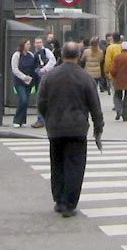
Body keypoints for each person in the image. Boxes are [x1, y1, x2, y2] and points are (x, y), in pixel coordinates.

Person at [36, 41, 104, 218]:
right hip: (77, 128)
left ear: (62, 55)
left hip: (55, 127)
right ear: (79, 55)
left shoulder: (50, 77)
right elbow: (95, 105)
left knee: (57, 164)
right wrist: (98, 127)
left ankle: (59, 199)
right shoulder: (85, 78)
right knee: (75, 166)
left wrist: (48, 117)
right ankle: (69, 203)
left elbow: (41, 102)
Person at [30, 37, 57, 128]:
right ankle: (42, 119)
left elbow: (53, 60)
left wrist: (44, 69)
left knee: (42, 98)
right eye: (37, 42)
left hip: (45, 76)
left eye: (40, 42)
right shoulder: (33, 54)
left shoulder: (46, 51)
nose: (38, 44)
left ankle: (42, 119)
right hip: (37, 79)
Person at [10, 38, 35, 127]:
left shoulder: (31, 55)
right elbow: (15, 69)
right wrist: (24, 77)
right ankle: (16, 120)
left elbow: (33, 67)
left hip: (29, 82)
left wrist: (31, 77)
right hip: (19, 82)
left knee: (25, 101)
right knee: (23, 99)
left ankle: (22, 120)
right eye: (27, 44)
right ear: (23, 45)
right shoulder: (16, 55)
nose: (29, 46)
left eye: (29, 44)